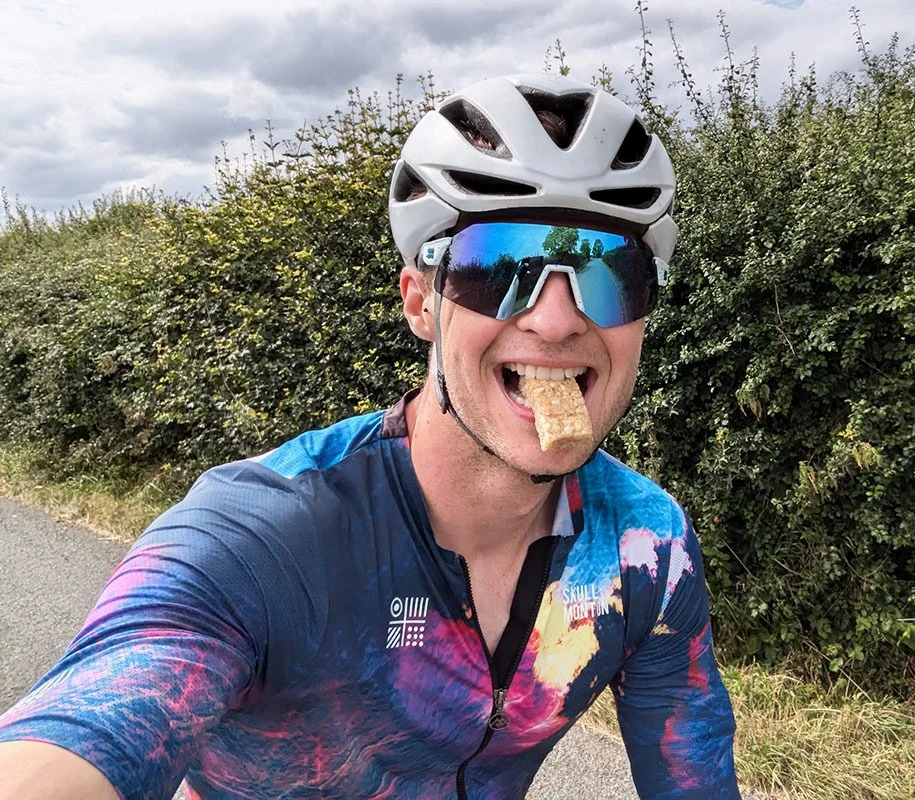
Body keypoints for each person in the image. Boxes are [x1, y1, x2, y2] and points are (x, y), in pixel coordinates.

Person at [0, 73, 740, 799]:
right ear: (421, 302)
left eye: (609, 270)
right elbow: (79, 732)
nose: (556, 320)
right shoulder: (269, 536)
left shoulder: (645, 548)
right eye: (498, 267)